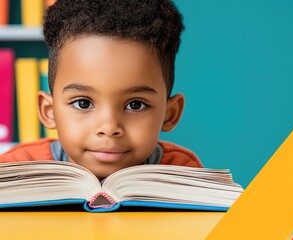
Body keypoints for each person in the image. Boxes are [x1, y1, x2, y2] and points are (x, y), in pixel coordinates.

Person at [0, 0, 202, 180]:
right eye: (83, 103)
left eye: (135, 104)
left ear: (170, 114)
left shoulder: (181, 173)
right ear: (48, 110)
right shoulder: (16, 170)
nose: (109, 127)